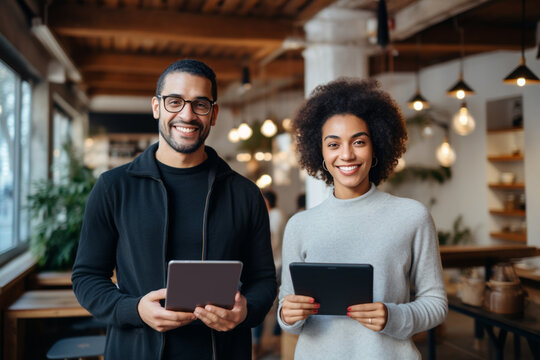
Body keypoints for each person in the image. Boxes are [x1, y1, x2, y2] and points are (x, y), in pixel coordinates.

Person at [72, 59, 277, 360]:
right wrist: (135, 309)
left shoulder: (245, 194)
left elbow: (263, 280)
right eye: (175, 101)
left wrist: (246, 311)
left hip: (223, 351)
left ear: (214, 113)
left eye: (200, 104)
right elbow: (87, 276)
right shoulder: (113, 187)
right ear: (157, 107)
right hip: (136, 350)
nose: (187, 114)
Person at [277, 78, 448, 359]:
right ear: (319, 151)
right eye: (333, 144)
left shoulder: (412, 216)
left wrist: (392, 316)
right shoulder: (300, 225)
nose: (346, 155)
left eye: (359, 142)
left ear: (376, 146)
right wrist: (288, 314)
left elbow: (436, 304)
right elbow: (290, 316)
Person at [252, 189, 285, 358]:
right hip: (275, 264)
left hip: (275, 265)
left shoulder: (275, 216)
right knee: (275, 304)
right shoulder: (277, 215)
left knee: (267, 305)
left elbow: (270, 242)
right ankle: (272, 340)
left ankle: (261, 343)